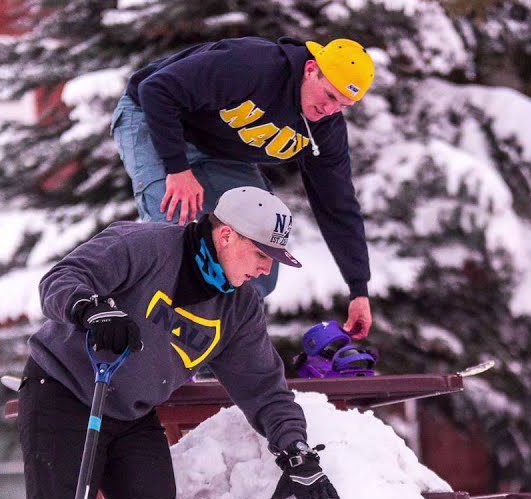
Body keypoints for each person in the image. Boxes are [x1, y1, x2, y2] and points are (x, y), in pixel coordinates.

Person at [12, 186, 342, 499]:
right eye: (260, 255)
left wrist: (295, 451)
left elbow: (264, 389)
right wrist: (92, 310)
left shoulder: (238, 309)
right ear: (226, 235)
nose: (264, 270)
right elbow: (62, 279)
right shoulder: (144, 248)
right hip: (64, 390)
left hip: (130, 410)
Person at [111, 36, 376, 340]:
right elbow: (156, 90)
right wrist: (178, 168)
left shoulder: (325, 130)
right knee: (172, 223)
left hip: (221, 153)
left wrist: (359, 289)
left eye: (343, 105)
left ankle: (214, 353)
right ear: (311, 69)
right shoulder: (253, 65)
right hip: (152, 115)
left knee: (259, 245)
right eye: (329, 95)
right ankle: (148, 342)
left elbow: (337, 204)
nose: (330, 110)